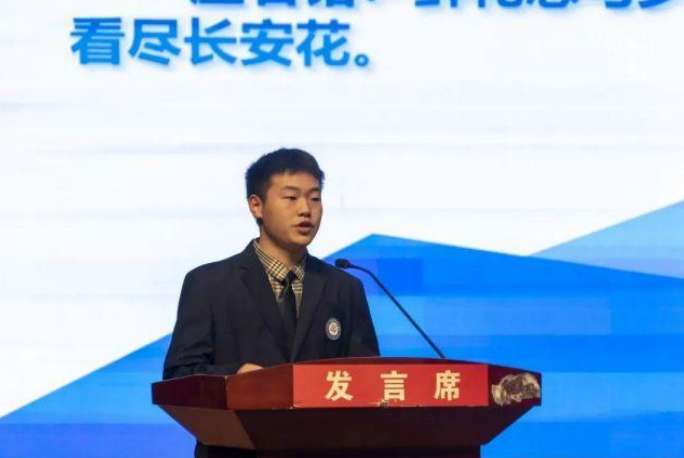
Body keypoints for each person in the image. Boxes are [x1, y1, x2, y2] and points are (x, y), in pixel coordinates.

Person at [163, 147, 379, 381]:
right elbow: (178, 375)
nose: (306, 209)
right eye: (291, 198)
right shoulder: (209, 284)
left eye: (314, 198)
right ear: (256, 206)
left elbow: (368, 379)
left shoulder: (345, 288)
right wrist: (234, 376)